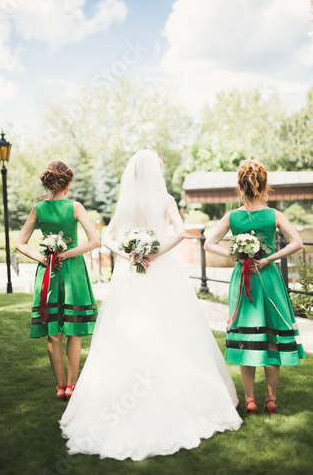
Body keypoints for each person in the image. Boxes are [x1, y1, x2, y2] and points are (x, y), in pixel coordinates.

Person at [59, 149, 242, 461]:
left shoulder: (126, 204)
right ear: (155, 173)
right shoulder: (166, 200)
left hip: (131, 274)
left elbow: (107, 238)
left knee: (129, 330)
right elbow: (182, 233)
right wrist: (156, 253)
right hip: (162, 270)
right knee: (172, 328)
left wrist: (130, 255)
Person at [204, 159, 306, 415]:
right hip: (269, 278)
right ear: (264, 185)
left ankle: (249, 398)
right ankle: (270, 398)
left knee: (246, 337)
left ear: (240, 185)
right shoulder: (274, 215)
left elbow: (208, 243)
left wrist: (236, 257)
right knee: (271, 335)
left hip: (243, 279)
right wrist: (269, 258)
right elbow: (297, 242)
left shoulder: (232, 216)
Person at [15, 161, 100, 400]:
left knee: (54, 330)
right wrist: (66, 253)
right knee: (73, 330)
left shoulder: (38, 208)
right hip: (72, 270)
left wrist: (44, 259)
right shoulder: (75, 206)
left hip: (49, 272)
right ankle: (72, 386)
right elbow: (95, 241)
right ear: (68, 183)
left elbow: (19, 243)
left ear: (46, 182)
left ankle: (60, 386)